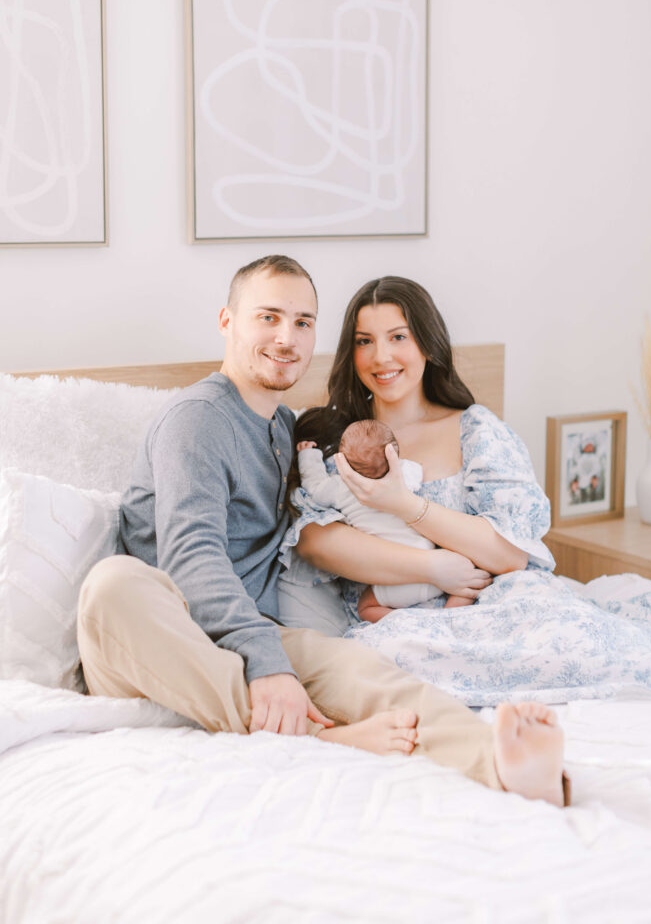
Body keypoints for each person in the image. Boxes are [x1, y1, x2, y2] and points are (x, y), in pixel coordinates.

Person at [77, 256, 569, 807]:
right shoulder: (197, 419)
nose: (286, 337)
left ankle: (505, 764)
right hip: (169, 634)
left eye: (303, 322)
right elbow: (192, 558)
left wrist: (273, 653)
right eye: (268, 317)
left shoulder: (291, 432)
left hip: (252, 633)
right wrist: (266, 664)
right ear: (227, 322)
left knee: (373, 675)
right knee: (111, 584)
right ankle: (318, 737)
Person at [294, 416, 492, 622]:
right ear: (392, 455)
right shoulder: (404, 474)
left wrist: (308, 455)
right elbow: (417, 473)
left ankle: (413, 624)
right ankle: (448, 617)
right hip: (438, 568)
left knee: (366, 606)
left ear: (341, 461)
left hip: (393, 579)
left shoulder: (340, 487)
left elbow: (314, 486)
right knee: (468, 581)